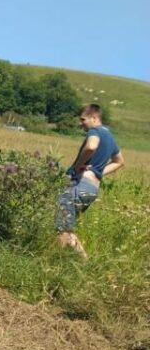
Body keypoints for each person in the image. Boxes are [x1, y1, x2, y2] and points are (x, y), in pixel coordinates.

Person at [55, 104, 124, 258]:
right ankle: (85, 263)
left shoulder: (95, 131)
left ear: (94, 118)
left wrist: (78, 165)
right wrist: (97, 172)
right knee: (67, 228)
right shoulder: (109, 136)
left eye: (83, 119)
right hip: (92, 189)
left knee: (62, 228)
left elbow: (91, 146)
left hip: (79, 185)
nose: (80, 123)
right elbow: (119, 161)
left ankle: (53, 260)